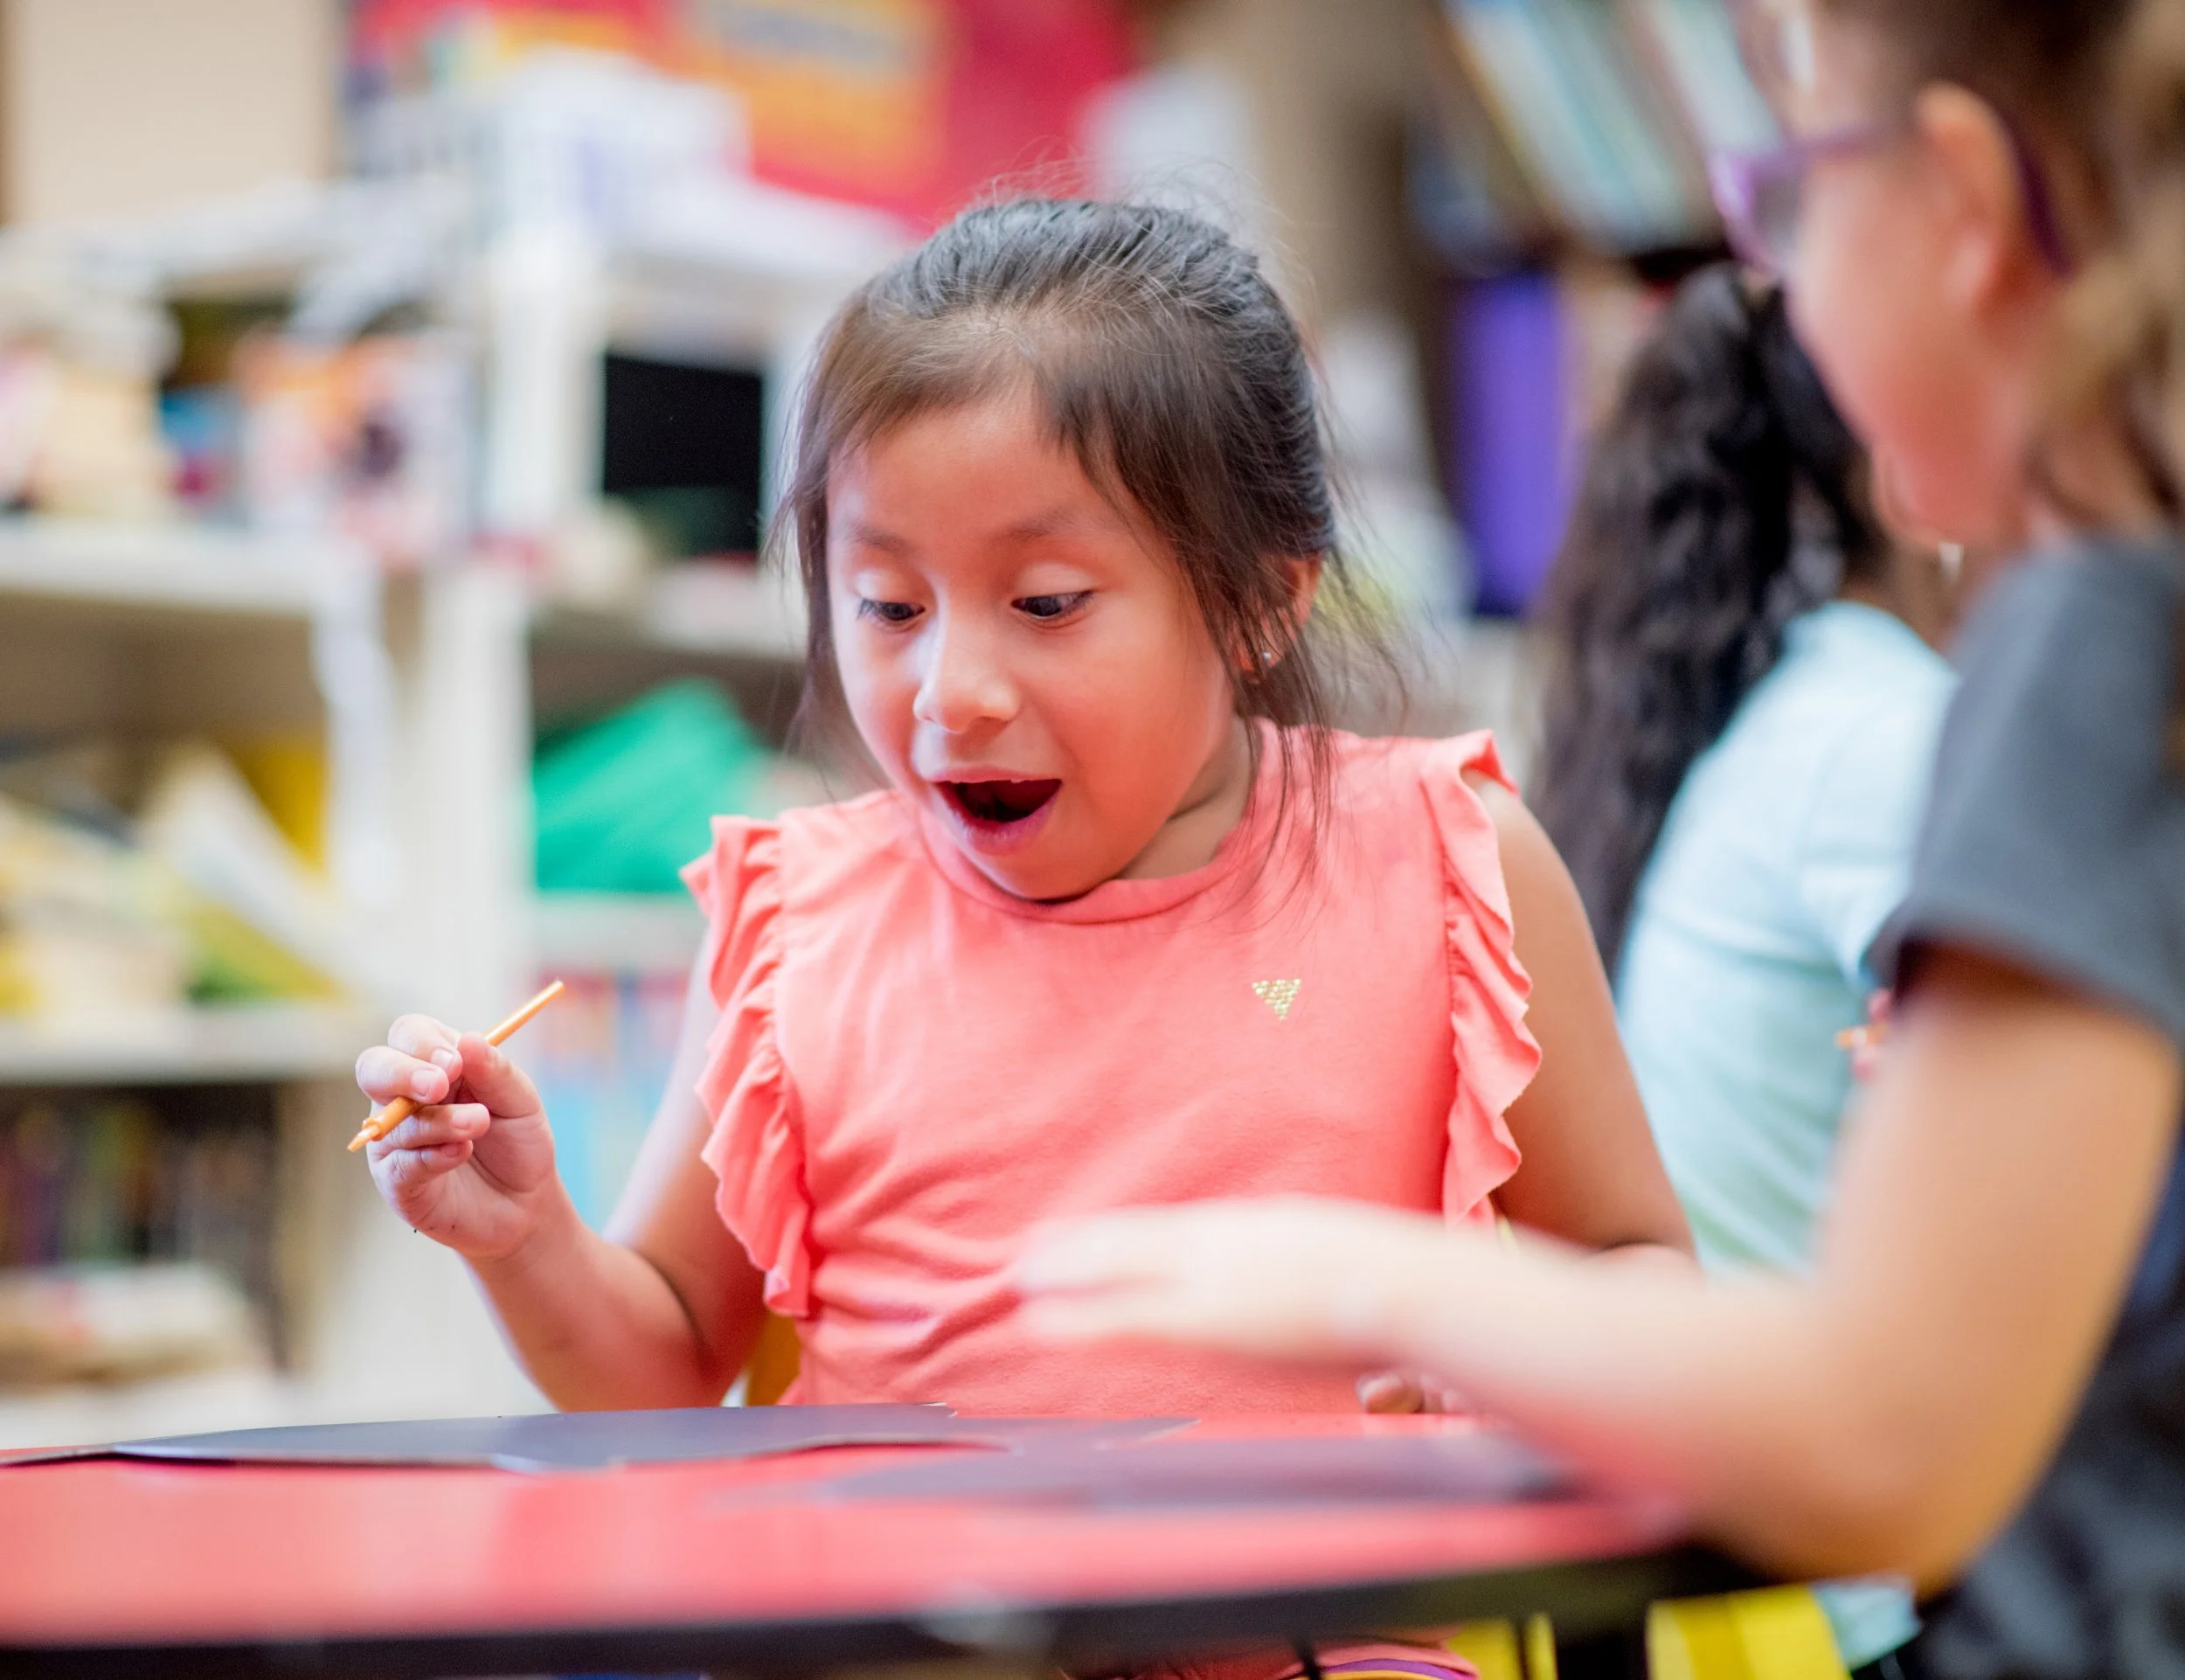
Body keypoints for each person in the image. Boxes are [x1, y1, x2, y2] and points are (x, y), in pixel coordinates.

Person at [1016, 7, 2185, 1678]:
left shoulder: (2097, 645)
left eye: (1786, 195)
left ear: (1966, 208)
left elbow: (1886, 1445)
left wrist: (1372, 1280)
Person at [354, 199, 1688, 1428]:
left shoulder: (1444, 860)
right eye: (888, 606)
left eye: (1047, 603)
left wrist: (1511, 1347)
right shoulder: (798, 920)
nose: (955, 693)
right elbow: (665, 1363)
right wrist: (524, 1235)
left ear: (1263, 600)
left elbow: (1646, 1278)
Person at [1532, 266, 1956, 1675]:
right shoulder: (1878, 727)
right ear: (1902, 475)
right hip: (1871, 1594)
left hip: (1750, 1590)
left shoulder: (1755, 718)